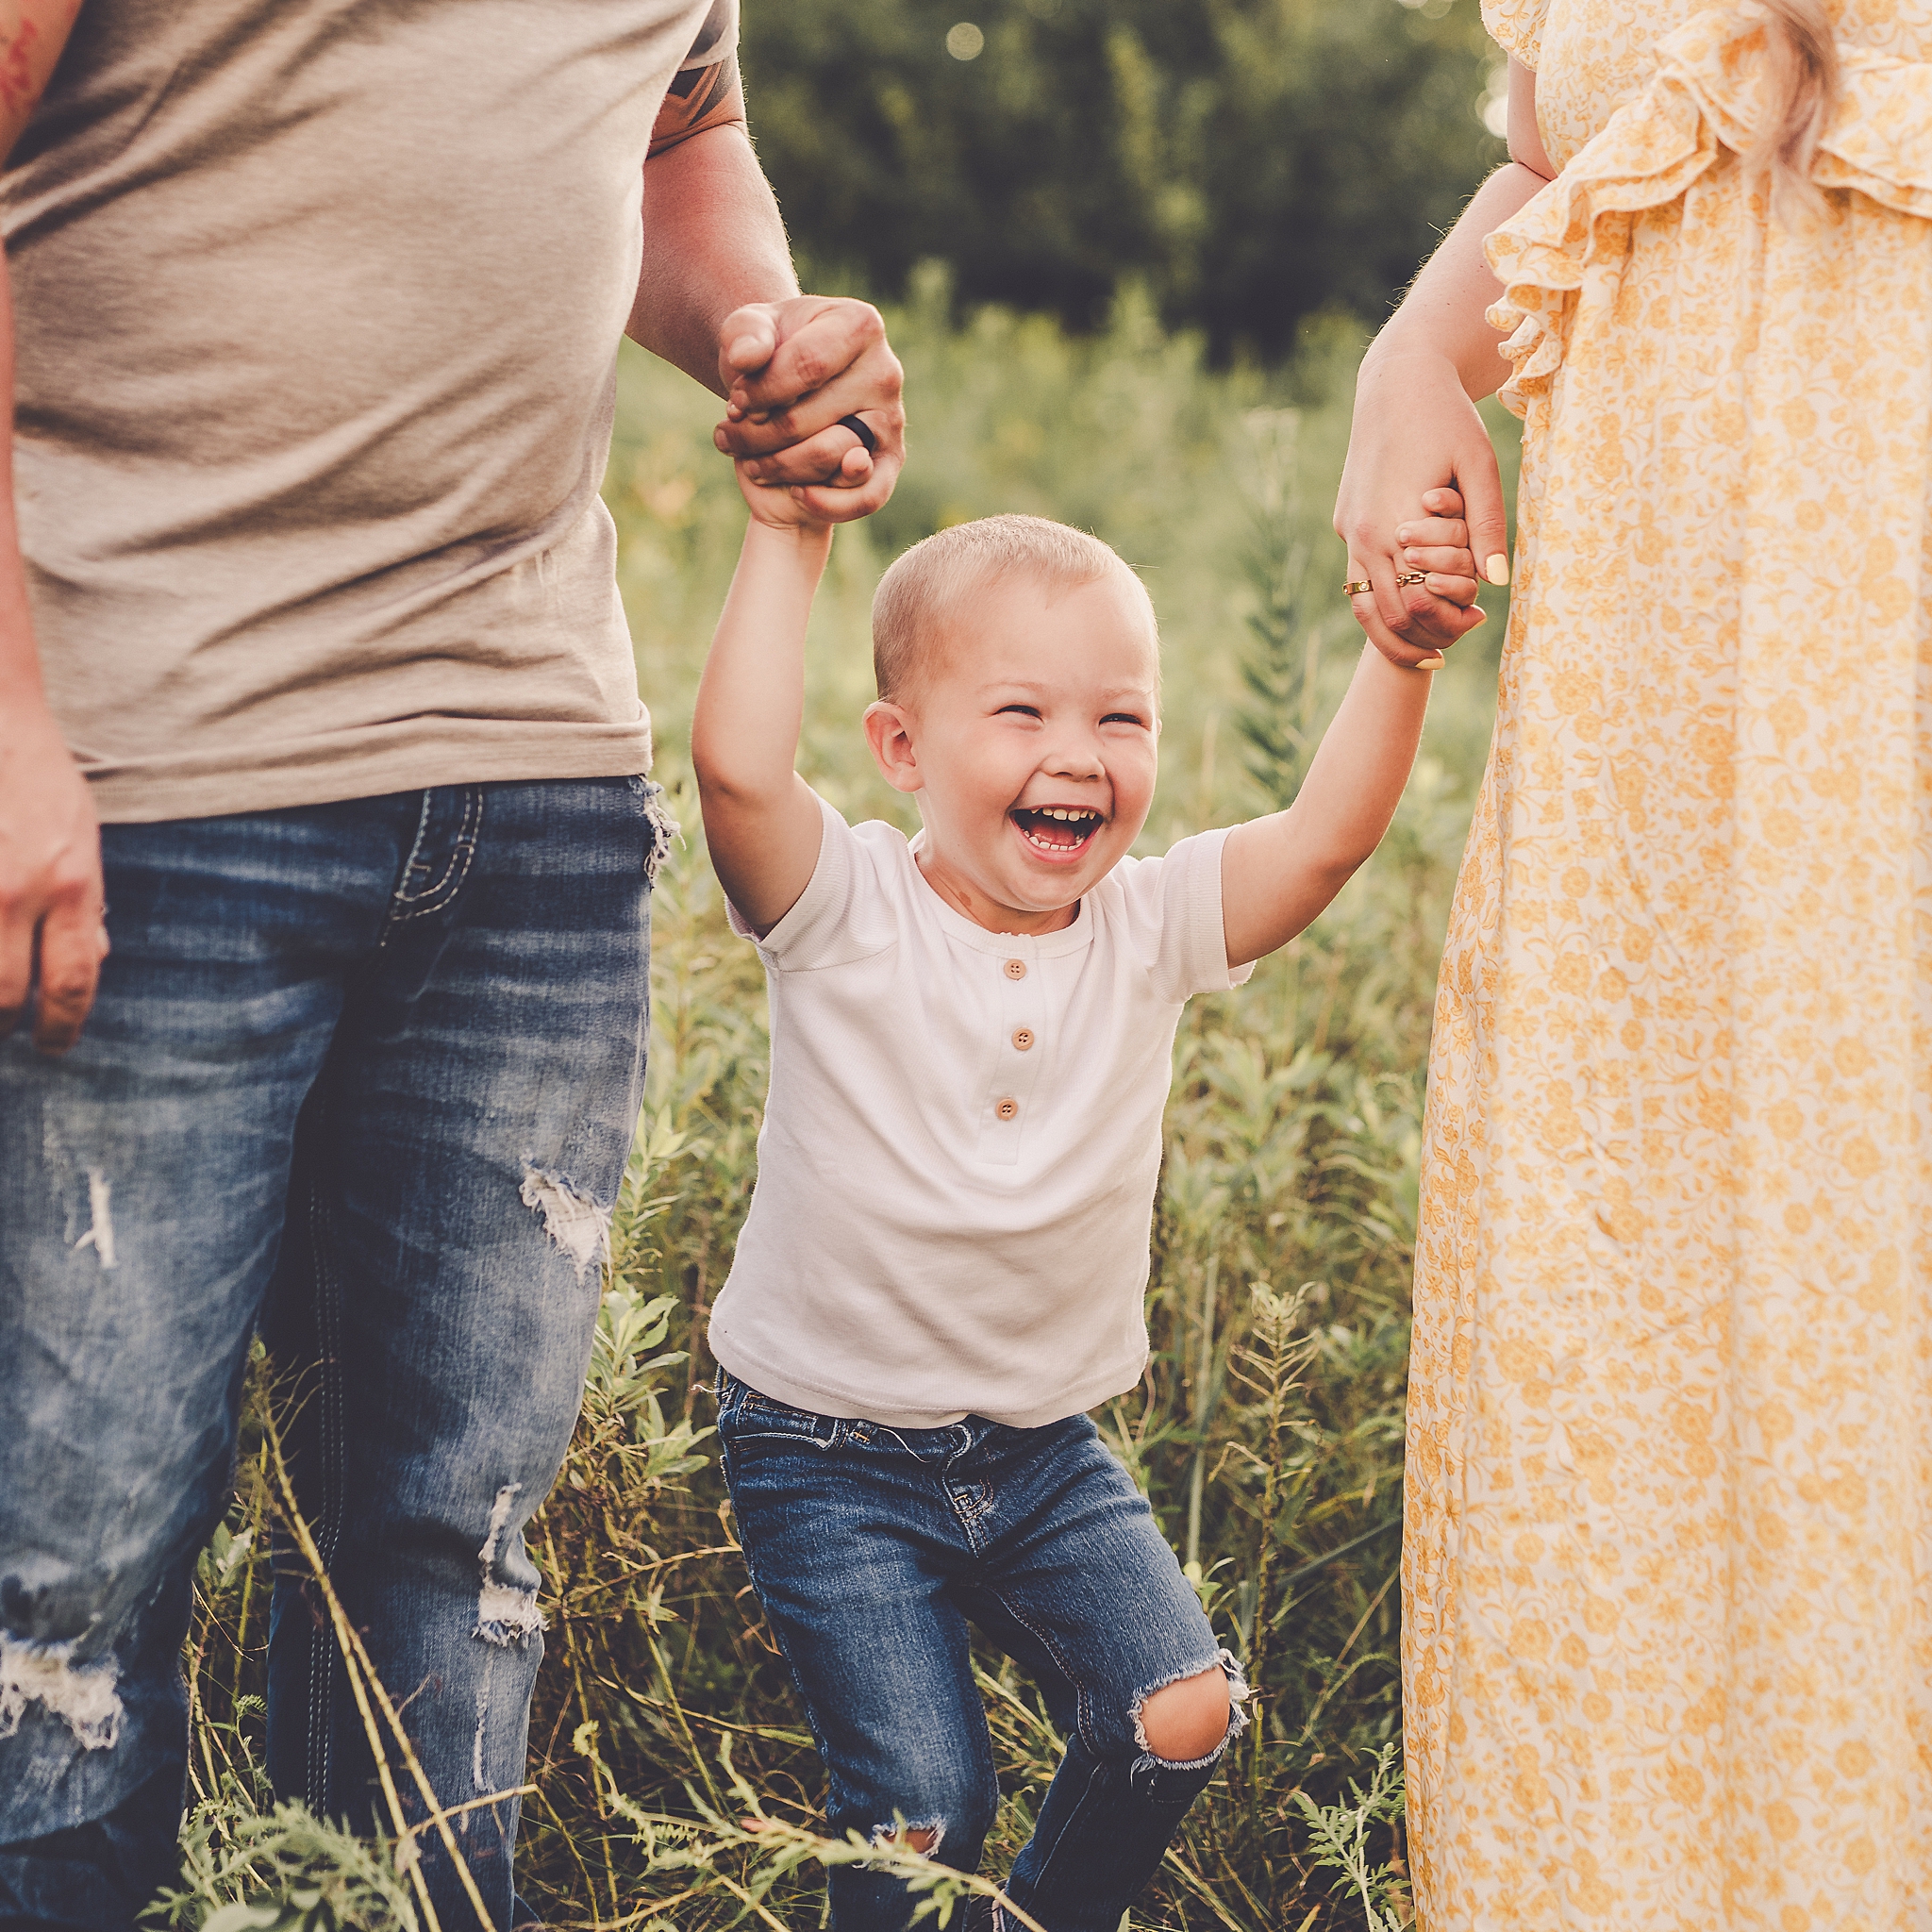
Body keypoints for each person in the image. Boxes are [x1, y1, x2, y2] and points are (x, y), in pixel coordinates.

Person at [0, 3, 907, 1926]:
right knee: (58, 1592)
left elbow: (668, 132)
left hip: (533, 804)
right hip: (146, 774)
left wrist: (770, 331)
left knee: (451, 1572)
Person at [1332, 1, 1932, 1924]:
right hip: (1644, 857)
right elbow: (1567, 158)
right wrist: (1411, 356)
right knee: (1616, 1423)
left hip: (1876, 841)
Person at [689, 460, 1471, 1926]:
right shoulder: (840, 907)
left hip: (1040, 1450)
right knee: (925, 1809)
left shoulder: (1150, 925)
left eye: (1121, 716)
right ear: (901, 748)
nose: (1082, 752)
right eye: (1025, 712)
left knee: (1181, 1714)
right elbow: (735, 770)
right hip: (826, 1450)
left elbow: (1324, 839)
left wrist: (1397, 655)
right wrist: (789, 531)